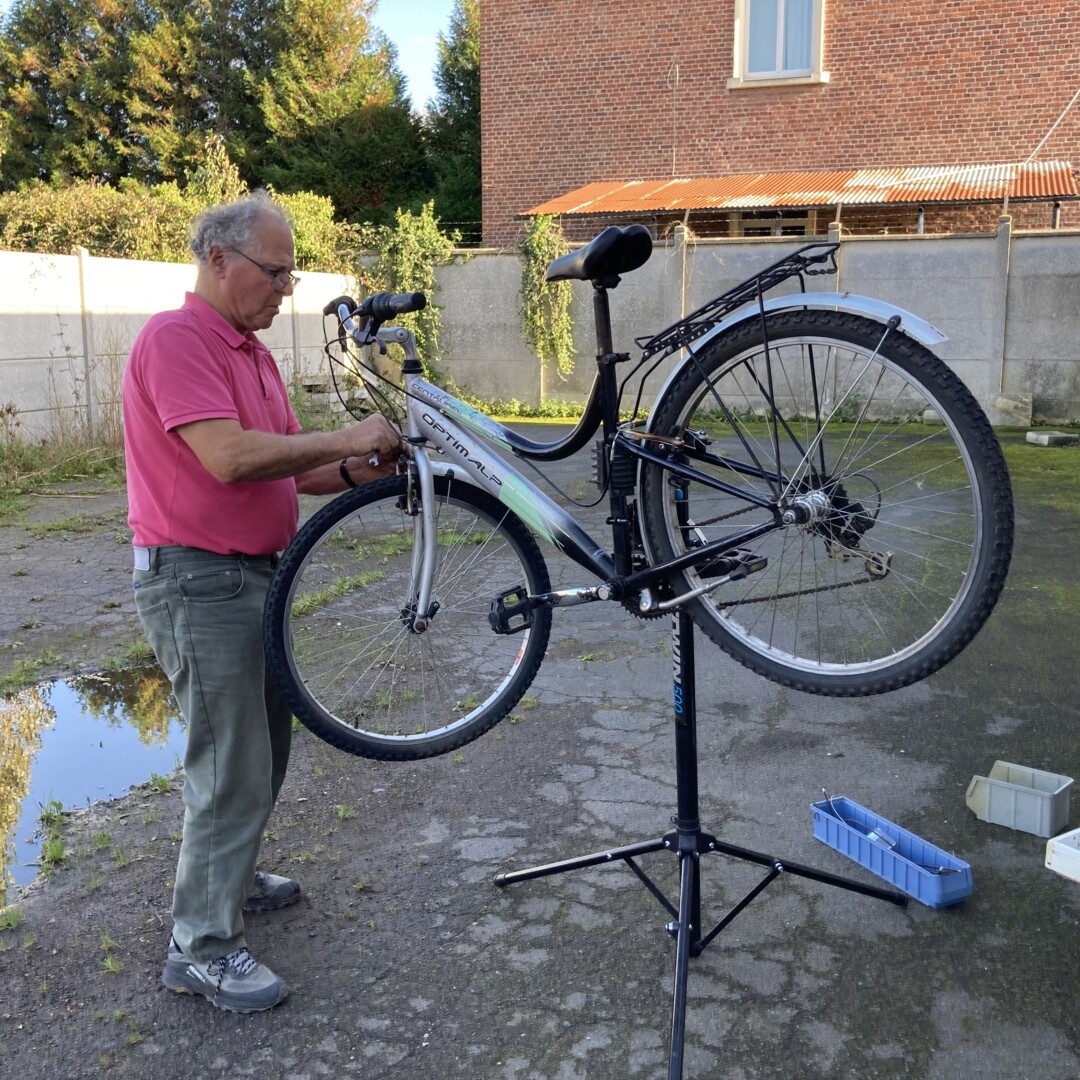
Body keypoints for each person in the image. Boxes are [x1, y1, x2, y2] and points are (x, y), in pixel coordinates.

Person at [122, 191, 406, 1013]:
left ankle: (231, 880)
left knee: (266, 751)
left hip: (253, 575)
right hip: (197, 579)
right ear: (219, 260)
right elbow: (230, 457)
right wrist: (348, 436)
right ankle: (201, 947)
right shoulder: (177, 339)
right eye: (275, 271)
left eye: (289, 274)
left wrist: (363, 470)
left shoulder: (249, 353)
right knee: (230, 764)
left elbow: (294, 468)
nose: (286, 288)